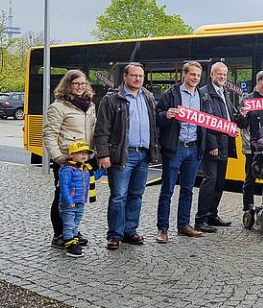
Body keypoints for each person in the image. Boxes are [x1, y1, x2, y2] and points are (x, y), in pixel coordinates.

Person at [94, 62, 161, 250]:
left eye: (141, 76)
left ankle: (130, 231)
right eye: (134, 75)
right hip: (123, 155)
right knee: (118, 196)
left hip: (143, 154)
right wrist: (103, 154)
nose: (138, 79)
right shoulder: (112, 99)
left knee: (136, 195)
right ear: (125, 76)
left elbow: (154, 124)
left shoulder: (148, 96)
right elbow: (101, 130)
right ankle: (114, 234)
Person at [43, 69, 97, 249]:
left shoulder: (90, 105)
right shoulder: (58, 106)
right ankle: (59, 234)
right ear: (68, 85)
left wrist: (94, 154)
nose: (80, 87)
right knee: (62, 196)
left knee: (79, 196)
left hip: (84, 159)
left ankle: (72, 230)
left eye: (83, 84)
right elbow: (49, 135)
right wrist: (58, 157)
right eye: (76, 84)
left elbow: (93, 132)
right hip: (66, 160)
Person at [155, 61, 208, 243]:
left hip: (193, 148)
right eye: (192, 74)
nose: (195, 78)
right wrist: (165, 115)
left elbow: (206, 123)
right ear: (184, 75)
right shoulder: (171, 94)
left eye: (198, 76)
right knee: (167, 189)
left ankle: (183, 225)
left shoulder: (202, 96)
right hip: (175, 147)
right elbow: (157, 117)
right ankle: (163, 229)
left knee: (188, 190)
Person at [195, 62, 243, 232]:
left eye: (224, 74)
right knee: (210, 181)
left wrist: (241, 116)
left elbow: (229, 117)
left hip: (225, 144)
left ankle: (212, 214)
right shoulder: (204, 94)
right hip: (213, 145)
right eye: (219, 74)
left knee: (220, 182)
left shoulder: (225, 93)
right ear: (211, 75)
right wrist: (211, 144)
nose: (222, 77)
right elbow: (205, 121)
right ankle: (200, 219)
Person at [57, 141, 106, 258]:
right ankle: (70, 245)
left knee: (75, 223)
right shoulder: (67, 169)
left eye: (86, 153)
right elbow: (64, 187)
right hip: (69, 203)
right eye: (79, 153)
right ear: (72, 155)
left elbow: (93, 177)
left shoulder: (85, 169)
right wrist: (68, 201)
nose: (84, 155)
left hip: (80, 203)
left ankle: (74, 239)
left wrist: (103, 170)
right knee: (69, 224)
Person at [241, 71, 263, 209]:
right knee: (250, 178)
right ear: (258, 82)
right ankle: (248, 208)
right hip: (252, 146)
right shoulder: (247, 99)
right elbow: (241, 124)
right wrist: (243, 116)